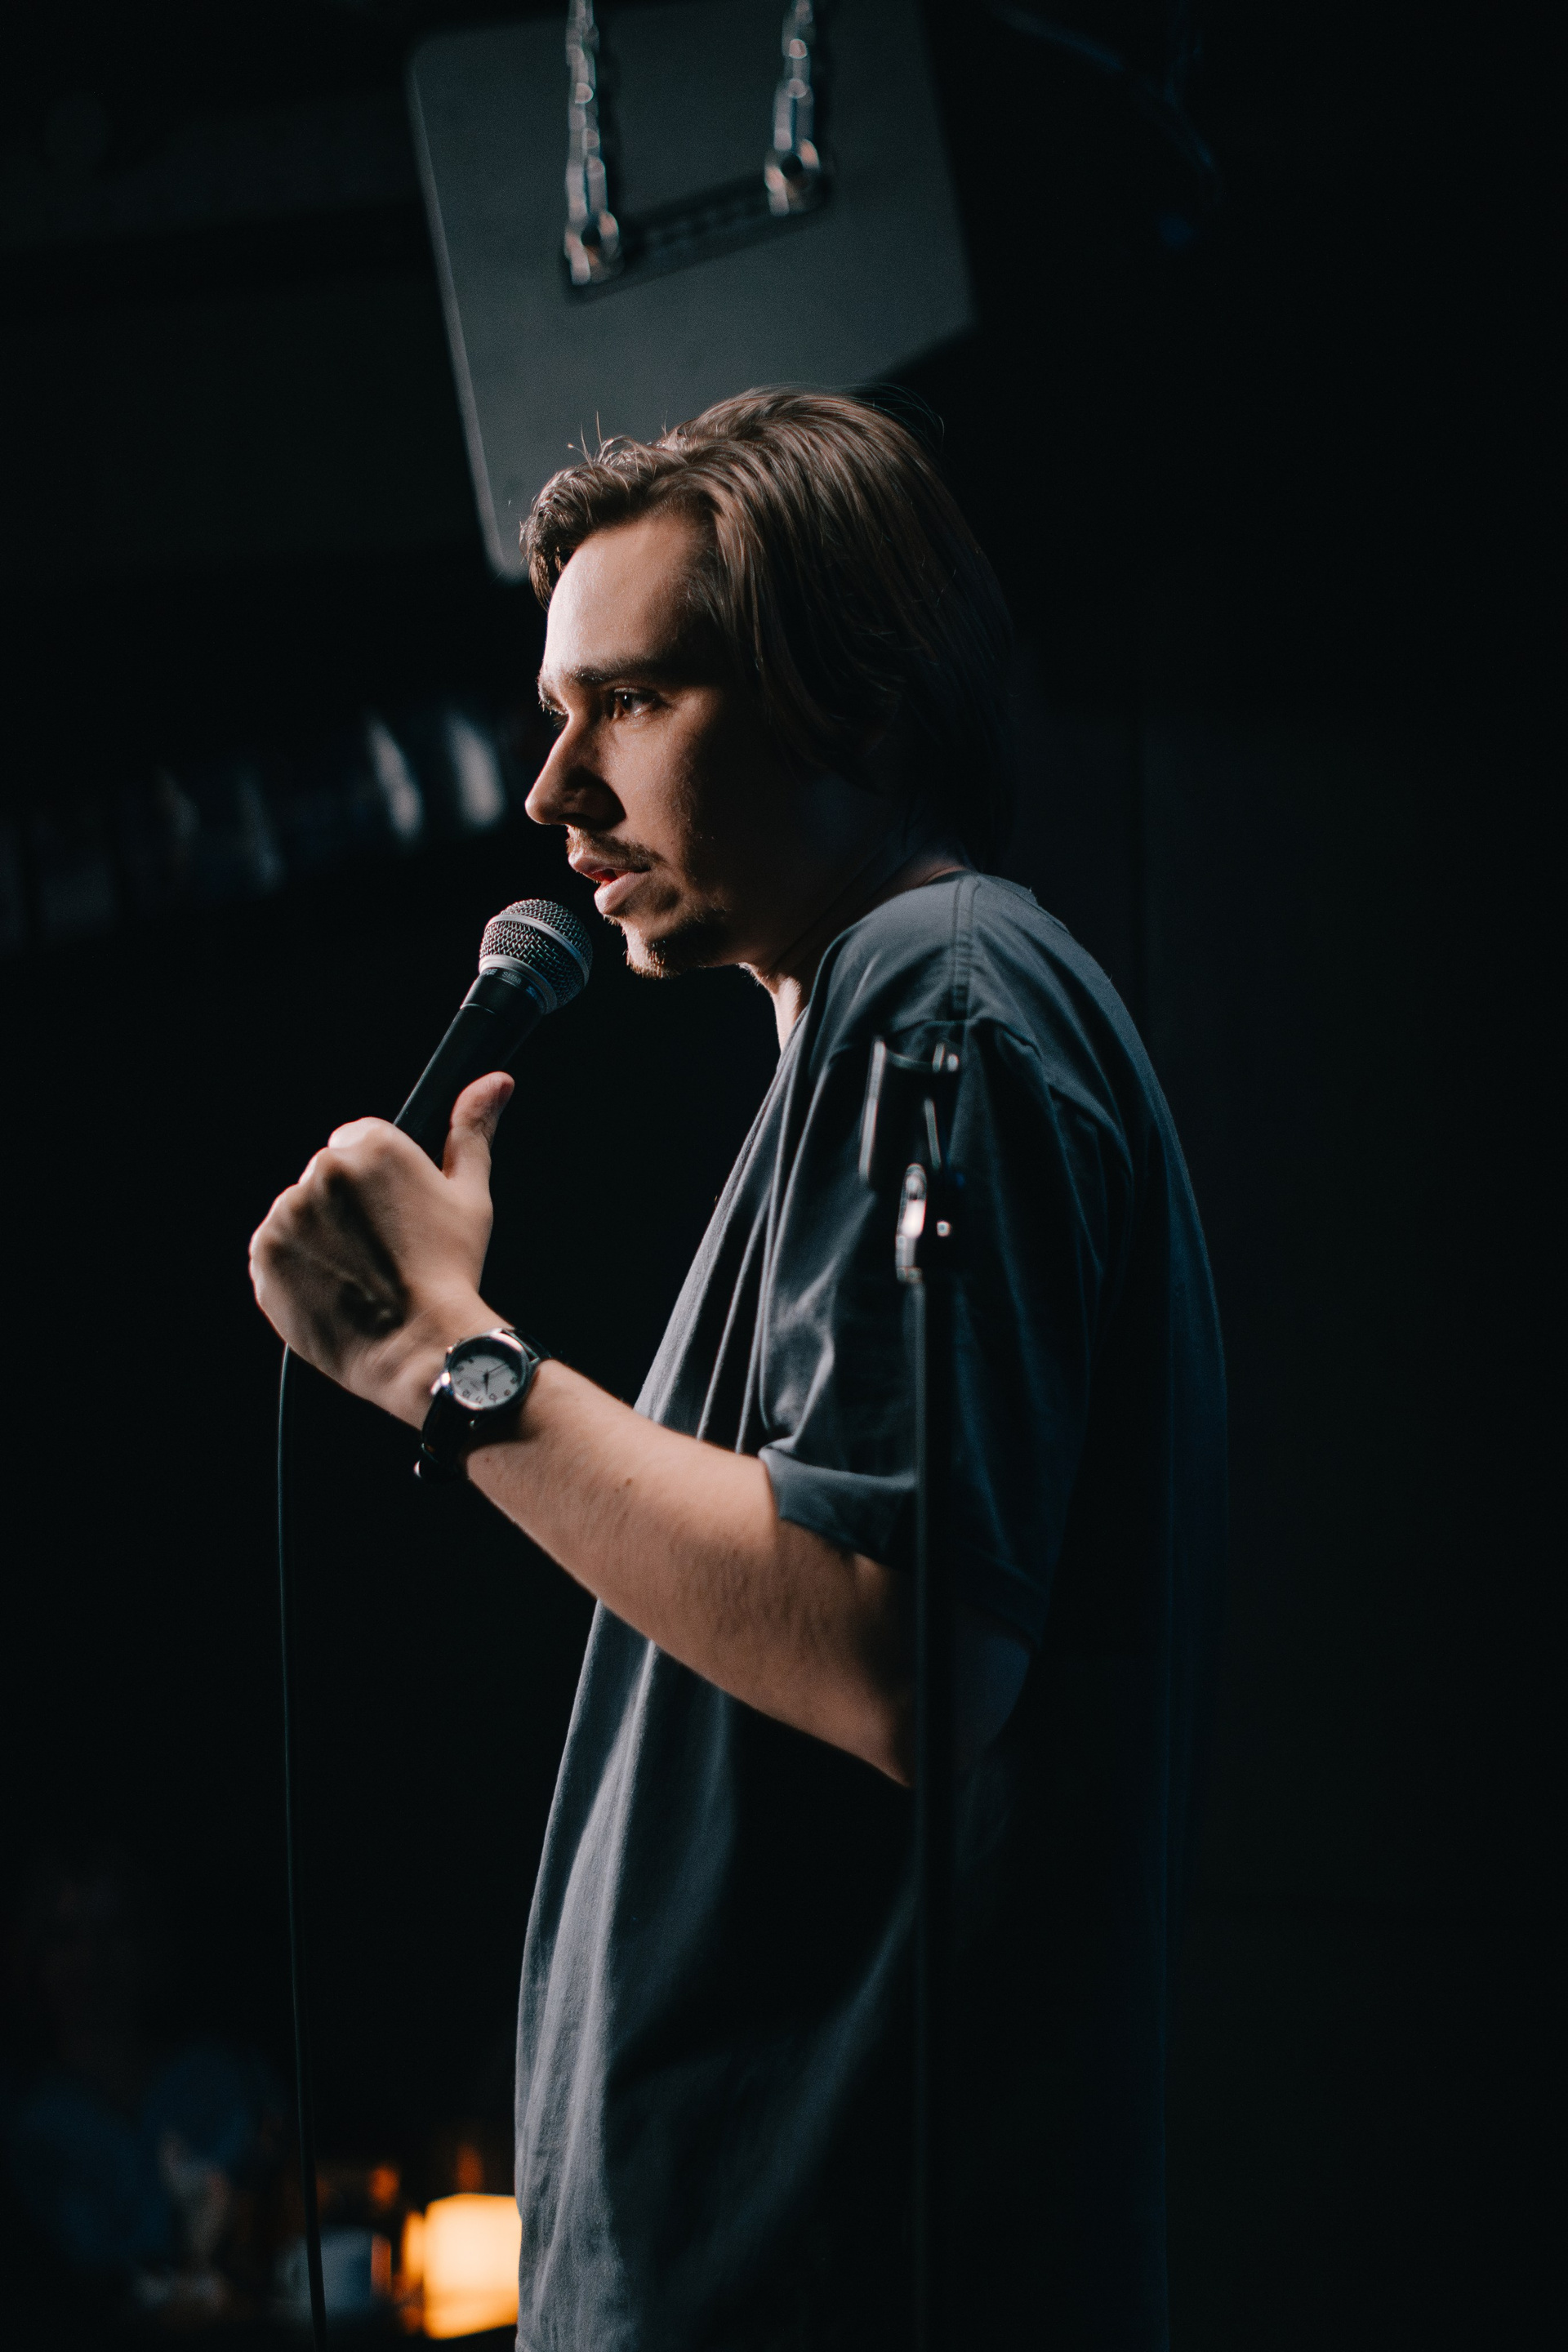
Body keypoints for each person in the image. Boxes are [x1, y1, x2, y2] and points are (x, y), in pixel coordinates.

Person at [249, 390, 1226, 2350]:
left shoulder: (942, 991)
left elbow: (895, 1645)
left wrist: (451, 1360)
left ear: (850, 696)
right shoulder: (877, 1028)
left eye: (630, 701)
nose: (555, 790)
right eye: (557, 710)